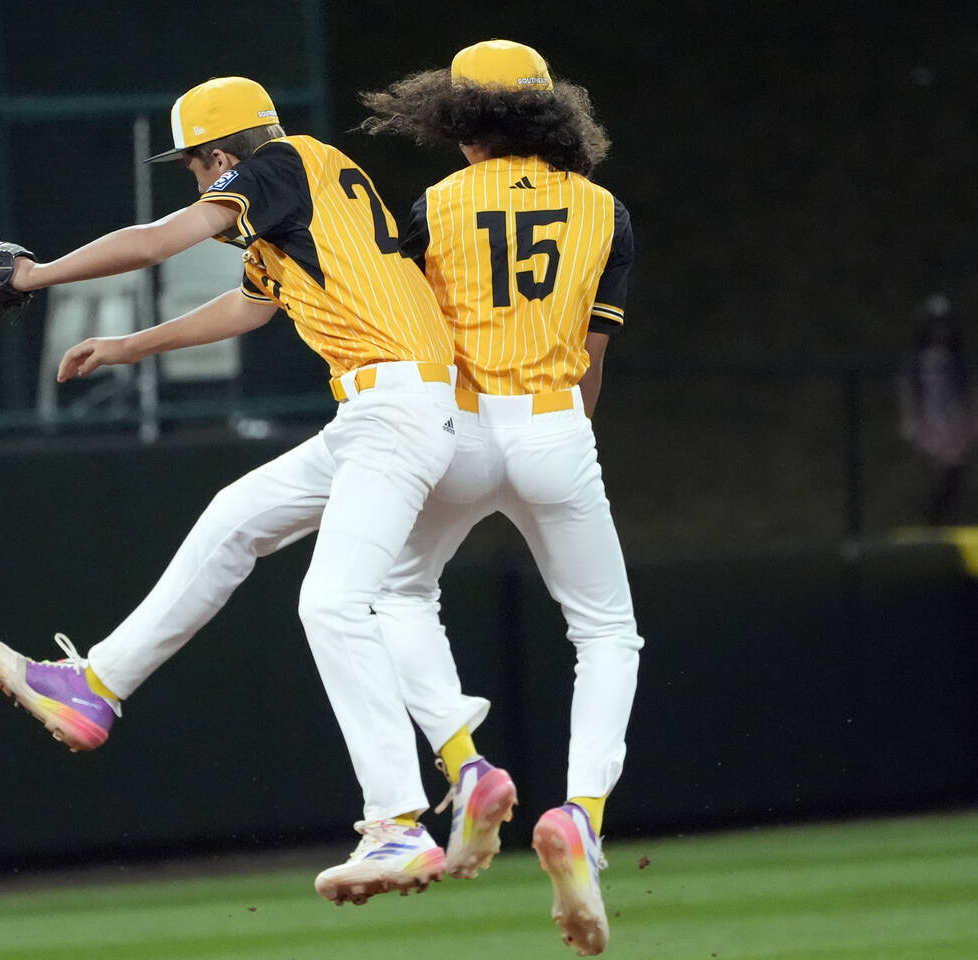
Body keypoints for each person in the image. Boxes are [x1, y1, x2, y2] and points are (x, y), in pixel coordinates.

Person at [0, 76, 460, 904]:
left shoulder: (277, 165)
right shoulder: (299, 208)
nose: (198, 183)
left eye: (197, 167)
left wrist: (34, 276)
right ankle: (96, 689)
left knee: (331, 603)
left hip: (401, 407)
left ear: (224, 155)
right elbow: (246, 308)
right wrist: (129, 346)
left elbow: (163, 239)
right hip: (377, 410)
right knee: (234, 516)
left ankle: (399, 825)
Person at [359, 40, 643, 955]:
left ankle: (465, 765)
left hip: (461, 425)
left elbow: (403, 338)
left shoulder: (432, 205)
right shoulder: (605, 211)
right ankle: (584, 820)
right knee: (604, 632)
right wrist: (566, 452)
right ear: (550, 111)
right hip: (557, 423)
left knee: (396, 593)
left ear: (456, 115)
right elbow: (595, 359)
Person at [896, 293, 978, 525]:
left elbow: (970, 390)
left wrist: (974, 421)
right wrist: (911, 421)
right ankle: (930, 519)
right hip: (928, 422)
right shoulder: (916, 360)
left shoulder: (958, 359)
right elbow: (909, 390)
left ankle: (943, 518)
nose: (940, 331)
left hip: (954, 422)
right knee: (933, 474)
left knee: (955, 473)